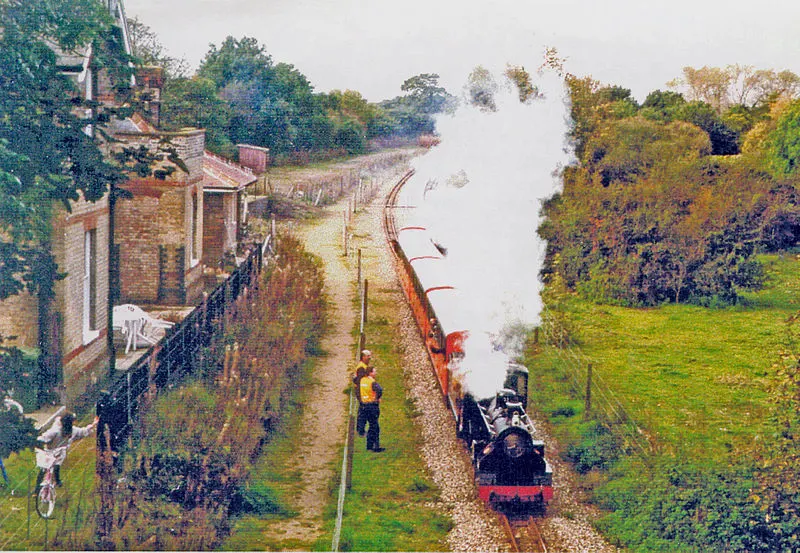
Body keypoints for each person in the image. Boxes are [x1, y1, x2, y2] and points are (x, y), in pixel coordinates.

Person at [37, 412, 98, 487]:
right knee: (49, 467)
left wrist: (93, 424)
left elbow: (82, 431)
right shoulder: (57, 431)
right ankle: (54, 482)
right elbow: (83, 431)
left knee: (48, 467)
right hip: (51, 453)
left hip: (57, 453)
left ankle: (44, 486)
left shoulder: (71, 430)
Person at [359, 366, 384, 452]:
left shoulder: (362, 380)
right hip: (372, 406)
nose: (375, 373)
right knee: (375, 426)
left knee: (370, 425)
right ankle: (375, 447)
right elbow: (379, 390)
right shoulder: (372, 382)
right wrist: (377, 398)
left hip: (364, 405)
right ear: (370, 373)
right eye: (374, 372)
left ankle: (369, 446)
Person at [352, 349, 372, 436]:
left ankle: (360, 429)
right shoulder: (361, 367)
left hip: (361, 391)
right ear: (363, 357)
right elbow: (359, 381)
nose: (369, 358)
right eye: (368, 356)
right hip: (361, 391)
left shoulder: (362, 365)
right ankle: (361, 430)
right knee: (363, 412)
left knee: (362, 411)